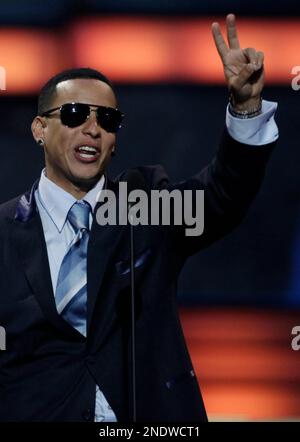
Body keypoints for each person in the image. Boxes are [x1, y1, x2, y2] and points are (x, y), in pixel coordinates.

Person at [0, 14, 278, 421]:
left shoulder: (143, 208)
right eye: (76, 113)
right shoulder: (3, 232)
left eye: (107, 120)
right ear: (40, 128)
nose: (93, 129)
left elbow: (222, 194)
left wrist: (246, 108)